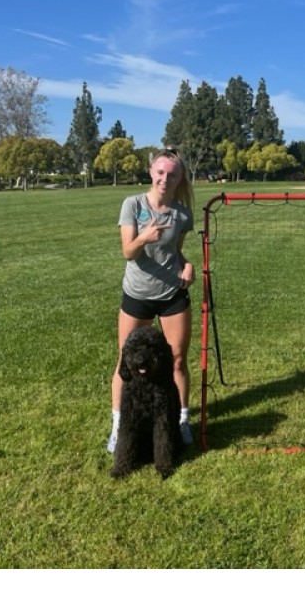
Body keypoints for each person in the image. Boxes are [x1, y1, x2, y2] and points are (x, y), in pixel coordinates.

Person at [107, 149, 196, 453]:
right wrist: (144, 237)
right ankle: (119, 426)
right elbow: (129, 252)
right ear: (151, 173)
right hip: (138, 294)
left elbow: (175, 252)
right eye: (160, 172)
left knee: (178, 360)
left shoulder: (183, 214)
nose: (165, 179)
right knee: (125, 361)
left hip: (173, 294)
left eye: (171, 174)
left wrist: (187, 265)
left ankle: (181, 420)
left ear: (179, 177)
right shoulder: (132, 205)